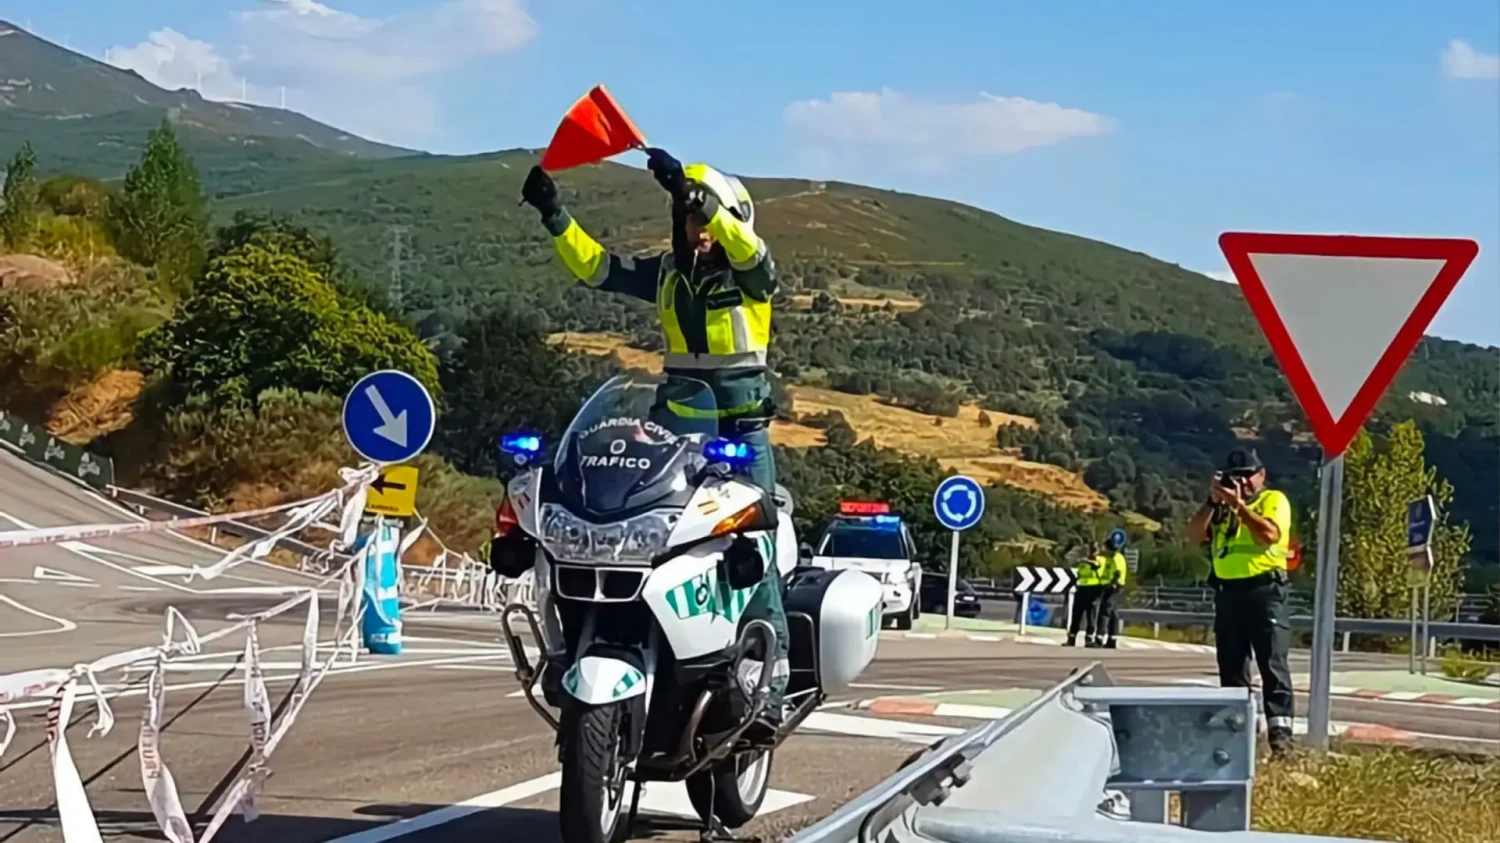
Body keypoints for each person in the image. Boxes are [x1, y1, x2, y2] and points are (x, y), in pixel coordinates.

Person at [519, 151, 790, 735]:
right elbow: (598, 269)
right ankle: (598, 643)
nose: (695, 228)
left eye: (702, 217)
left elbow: (750, 252)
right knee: (635, 530)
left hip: (741, 430)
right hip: (680, 427)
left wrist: (707, 205)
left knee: (756, 540)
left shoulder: (751, 274)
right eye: (688, 217)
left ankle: (771, 682)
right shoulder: (670, 273)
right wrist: (554, 215)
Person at [1187, 447, 1296, 756]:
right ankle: (1236, 737)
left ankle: (1282, 740)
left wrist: (1239, 505)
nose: (1243, 483)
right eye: (1236, 478)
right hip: (1228, 593)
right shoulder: (1220, 510)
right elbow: (1194, 536)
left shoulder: (1272, 501)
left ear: (1261, 475)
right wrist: (1213, 502)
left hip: (1265, 591)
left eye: (1248, 476)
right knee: (1231, 666)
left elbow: (1269, 535)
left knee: (1272, 663)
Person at [1066, 541, 1104, 647]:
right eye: (1090, 549)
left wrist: (1085, 560)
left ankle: (1089, 639)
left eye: (1094, 550)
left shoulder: (1100, 560)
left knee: (1091, 617)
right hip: (1081, 590)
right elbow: (1079, 574)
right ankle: (1071, 638)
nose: (1091, 552)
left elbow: (1096, 566)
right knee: (1076, 615)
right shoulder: (1083, 563)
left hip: (1093, 590)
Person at [1095, 530, 1128, 649]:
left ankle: (1100, 638)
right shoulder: (1111, 557)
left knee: (1105, 612)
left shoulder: (1117, 558)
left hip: (1114, 587)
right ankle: (1112, 639)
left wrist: (1112, 584)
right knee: (1112, 613)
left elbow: (1118, 574)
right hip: (1110, 586)